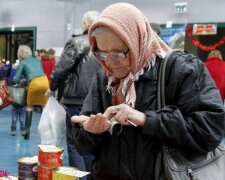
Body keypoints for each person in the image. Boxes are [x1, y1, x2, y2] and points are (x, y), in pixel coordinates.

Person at [71, 3, 225, 180]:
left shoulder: (180, 69)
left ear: (136, 41)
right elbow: (82, 146)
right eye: (102, 54)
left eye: (118, 53)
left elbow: (209, 130)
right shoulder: (103, 79)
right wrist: (90, 132)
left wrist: (146, 119)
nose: (110, 62)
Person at [46, 11, 101, 177]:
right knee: (93, 142)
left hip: (77, 100)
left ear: (85, 24)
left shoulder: (76, 42)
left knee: (75, 143)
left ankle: (78, 177)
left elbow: (62, 68)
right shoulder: (104, 43)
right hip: (100, 100)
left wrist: (52, 87)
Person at [13, 45, 49, 140]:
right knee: (44, 106)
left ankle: (27, 132)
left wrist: (13, 79)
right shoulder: (37, 60)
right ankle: (47, 131)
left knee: (30, 106)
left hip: (35, 83)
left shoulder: (23, 63)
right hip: (45, 81)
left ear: (20, 54)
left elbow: (16, 80)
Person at [10, 59, 26, 136]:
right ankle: (17, 130)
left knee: (18, 119)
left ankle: (17, 130)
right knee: (19, 119)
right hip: (19, 104)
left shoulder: (22, 80)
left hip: (17, 104)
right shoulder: (24, 80)